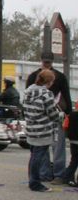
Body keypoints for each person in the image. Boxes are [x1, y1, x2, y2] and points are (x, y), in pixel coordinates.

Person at [26, 51, 72, 185]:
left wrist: (68, 115)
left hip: (56, 115)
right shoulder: (33, 77)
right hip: (41, 118)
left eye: (48, 62)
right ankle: (44, 173)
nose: (46, 64)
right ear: (40, 60)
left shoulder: (60, 77)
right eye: (44, 61)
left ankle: (59, 173)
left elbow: (66, 96)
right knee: (42, 149)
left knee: (58, 147)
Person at [22, 69, 61, 192]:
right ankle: (35, 183)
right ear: (49, 82)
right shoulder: (46, 94)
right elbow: (53, 113)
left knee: (33, 156)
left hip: (31, 128)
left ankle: (32, 180)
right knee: (38, 157)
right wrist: (60, 116)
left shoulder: (27, 92)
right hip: (43, 130)